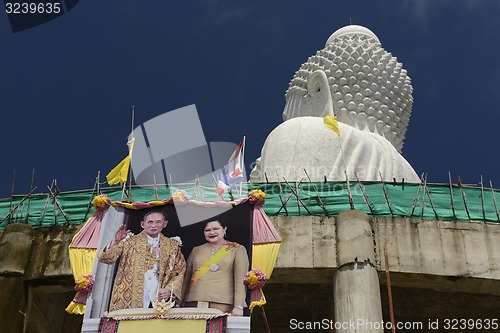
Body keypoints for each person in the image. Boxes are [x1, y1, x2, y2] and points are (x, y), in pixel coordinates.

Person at [98, 210, 186, 311]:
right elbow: (105, 259)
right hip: (129, 295)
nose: (154, 225)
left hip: (159, 298)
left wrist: (169, 290)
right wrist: (116, 241)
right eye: (150, 222)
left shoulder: (172, 246)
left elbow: (179, 271)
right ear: (143, 224)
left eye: (158, 222)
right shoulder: (129, 241)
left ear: (164, 224)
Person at [181, 219, 249, 316]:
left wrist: (238, 305)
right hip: (193, 301)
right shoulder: (196, 250)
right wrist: (179, 302)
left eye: (216, 229)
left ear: (224, 229)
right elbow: (186, 278)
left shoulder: (237, 249)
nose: (212, 232)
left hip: (222, 303)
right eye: (207, 230)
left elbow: (240, 280)